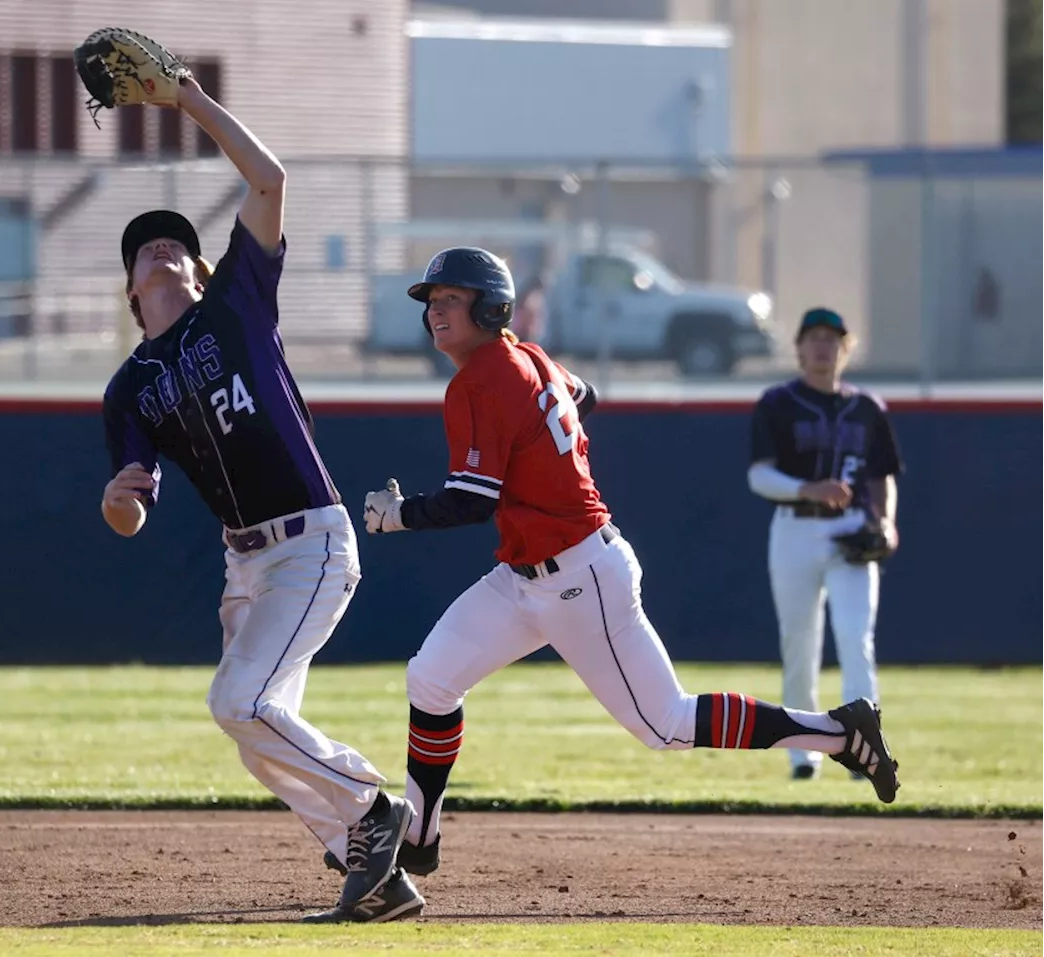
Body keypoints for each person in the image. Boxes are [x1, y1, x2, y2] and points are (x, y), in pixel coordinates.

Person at [359, 249, 901, 879]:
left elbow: (471, 501)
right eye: (431, 301)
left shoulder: (482, 377)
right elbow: (580, 395)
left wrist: (397, 515)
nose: (435, 312)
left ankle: (838, 733)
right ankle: (419, 839)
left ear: (489, 307)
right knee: (430, 679)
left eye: (451, 299)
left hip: (579, 578)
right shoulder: (527, 358)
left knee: (665, 725)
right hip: (527, 574)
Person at [97, 61, 418, 924]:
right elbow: (135, 504)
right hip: (246, 568)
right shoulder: (128, 389)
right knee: (256, 732)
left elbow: (271, 180)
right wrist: (117, 504)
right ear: (132, 293)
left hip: (312, 541)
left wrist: (190, 100)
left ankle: (374, 810)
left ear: (201, 269)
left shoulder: (237, 304)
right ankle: (377, 874)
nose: (161, 245)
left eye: (174, 240)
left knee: (237, 704)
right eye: (144, 246)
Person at [747, 307, 904, 781]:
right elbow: (759, 475)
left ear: (845, 348)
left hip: (850, 531)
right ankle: (803, 753)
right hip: (795, 527)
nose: (822, 346)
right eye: (813, 337)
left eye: (831, 338)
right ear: (798, 348)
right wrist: (805, 488)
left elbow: (882, 475)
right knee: (800, 644)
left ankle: (864, 753)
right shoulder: (777, 402)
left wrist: (887, 522)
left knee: (857, 641)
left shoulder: (868, 408)